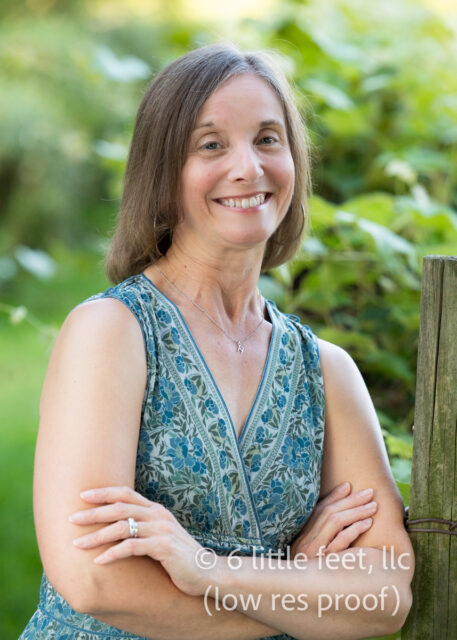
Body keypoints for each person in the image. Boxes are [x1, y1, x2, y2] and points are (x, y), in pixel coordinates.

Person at [20, 42, 414, 640]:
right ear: (163, 171)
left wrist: (209, 570)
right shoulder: (112, 331)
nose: (248, 168)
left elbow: (385, 596)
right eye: (211, 145)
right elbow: (94, 582)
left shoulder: (325, 370)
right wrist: (297, 588)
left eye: (267, 139)